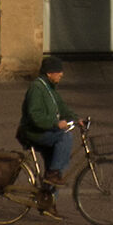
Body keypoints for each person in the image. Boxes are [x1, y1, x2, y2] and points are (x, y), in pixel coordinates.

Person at [17, 57, 78, 216]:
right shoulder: (37, 88)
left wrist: (77, 119)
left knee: (57, 161)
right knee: (65, 138)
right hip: (33, 133)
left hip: (44, 131)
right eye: (59, 71)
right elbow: (35, 115)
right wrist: (55, 124)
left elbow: (62, 107)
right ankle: (52, 176)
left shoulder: (50, 88)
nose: (61, 74)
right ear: (49, 73)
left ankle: (48, 203)